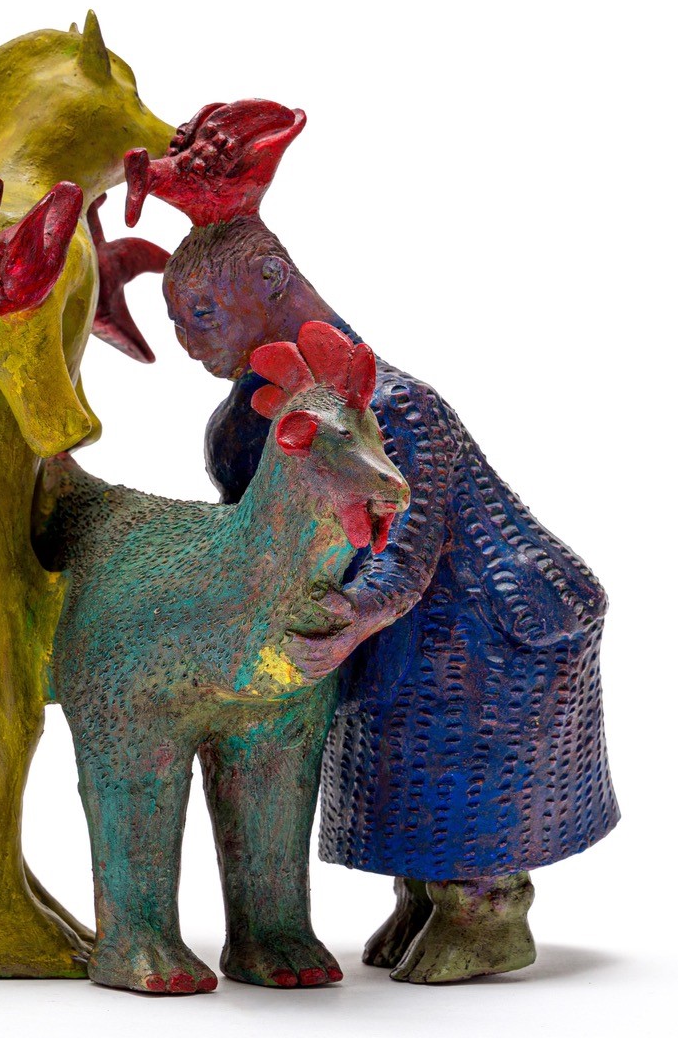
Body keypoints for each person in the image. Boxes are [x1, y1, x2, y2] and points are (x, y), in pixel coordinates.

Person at [160, 206, 617, 983]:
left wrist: (355, 616)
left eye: (202, 313)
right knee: (400, 761)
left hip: (487, 618)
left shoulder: (394, 405)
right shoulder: (262, 407)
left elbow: (405, 542)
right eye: (175, 320)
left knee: (461, 760)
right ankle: (422, 899)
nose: (186, 338)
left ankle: (485, 915)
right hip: (401, 634)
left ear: (270, 279)